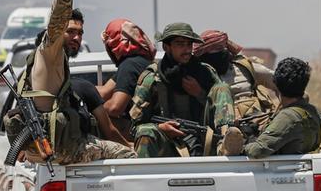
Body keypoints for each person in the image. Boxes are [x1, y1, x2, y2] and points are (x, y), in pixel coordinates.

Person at [4, 0, 135, 164]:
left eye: (80, 33)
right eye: (71, 31)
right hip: (60, 148)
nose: (77, 37)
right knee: (128, 156)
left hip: (44, 148)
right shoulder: (49, 53)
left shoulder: (48, 67)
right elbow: (56, 23)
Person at [129, 22, 234, 158]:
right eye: (180, 44)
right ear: (166, 47)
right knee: (145, 132)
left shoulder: (205, 72)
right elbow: (135, 127)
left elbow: (218, 106)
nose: (186, 49)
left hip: (205, 139)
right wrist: (161, 128)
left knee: (222, 88)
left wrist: (200, 94)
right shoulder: (152, 78)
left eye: (189, 44)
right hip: (169, 145)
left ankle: (226, 141)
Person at [193, 30, 279, 155]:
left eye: (222, 48)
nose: (221, 53)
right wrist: (200, 94)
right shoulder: (198, 75)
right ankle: (225, 145)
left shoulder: (244, 67)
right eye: (215, 50)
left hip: (255, 120)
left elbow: (280, 82)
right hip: (220, 127)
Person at [231, 57, 321, 158]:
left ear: (276, 85)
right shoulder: (316, 112)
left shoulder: (287, 117)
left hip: (282, 164)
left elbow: (256, 151)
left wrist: (244, 145)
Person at [97, 19, 156, 139]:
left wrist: (95, 109)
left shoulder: (129, 65)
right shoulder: (140, 62)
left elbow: (115, 108)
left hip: (141, 131)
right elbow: (104, 91)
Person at [70, 78, 132, 148]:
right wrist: (129, 146)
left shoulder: (60, 91)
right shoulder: (84, 86)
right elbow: (110, 132)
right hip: (80, 147)